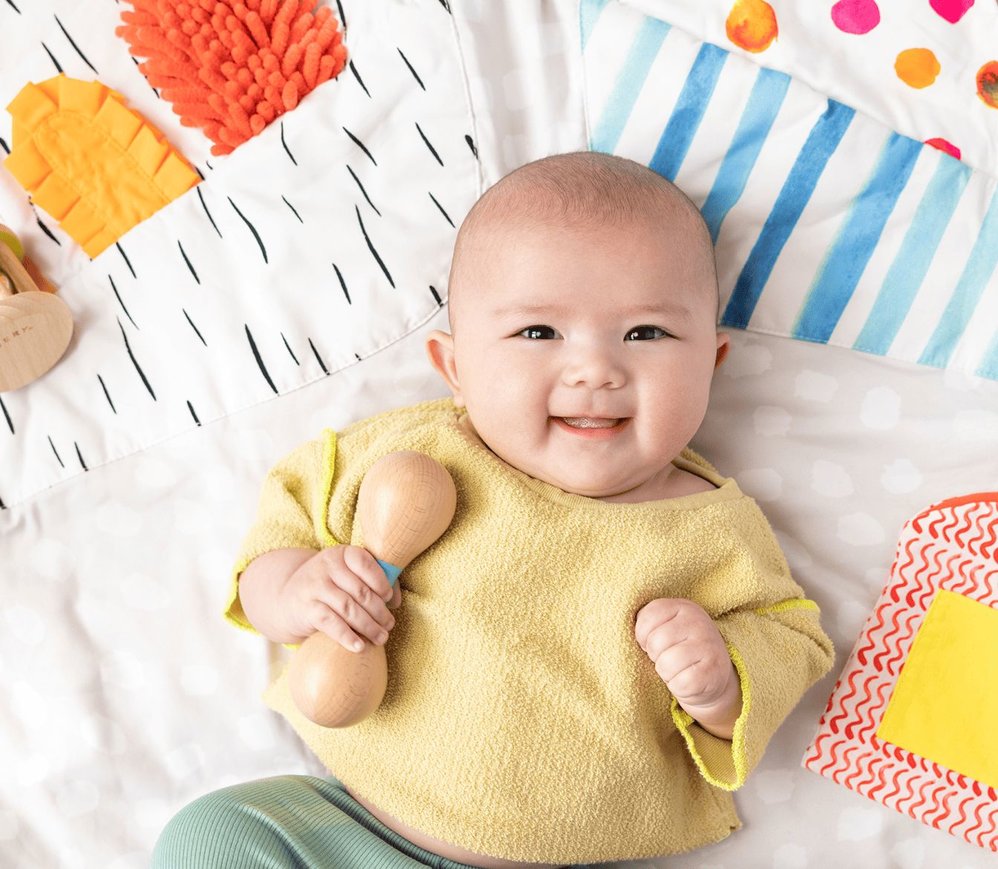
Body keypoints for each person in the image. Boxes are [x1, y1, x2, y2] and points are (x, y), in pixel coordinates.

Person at [153, 152, 834, 869]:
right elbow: (281, 527)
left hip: (557, 857)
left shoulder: (712, 528)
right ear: (455, 367)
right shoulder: (417, 450)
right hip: (346, 825)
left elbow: (791, 637)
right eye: (539, 333)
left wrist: (722, 682)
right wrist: (297, 588)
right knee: (209, 836)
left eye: (646, 333)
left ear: (712, 364)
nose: (594, 369)